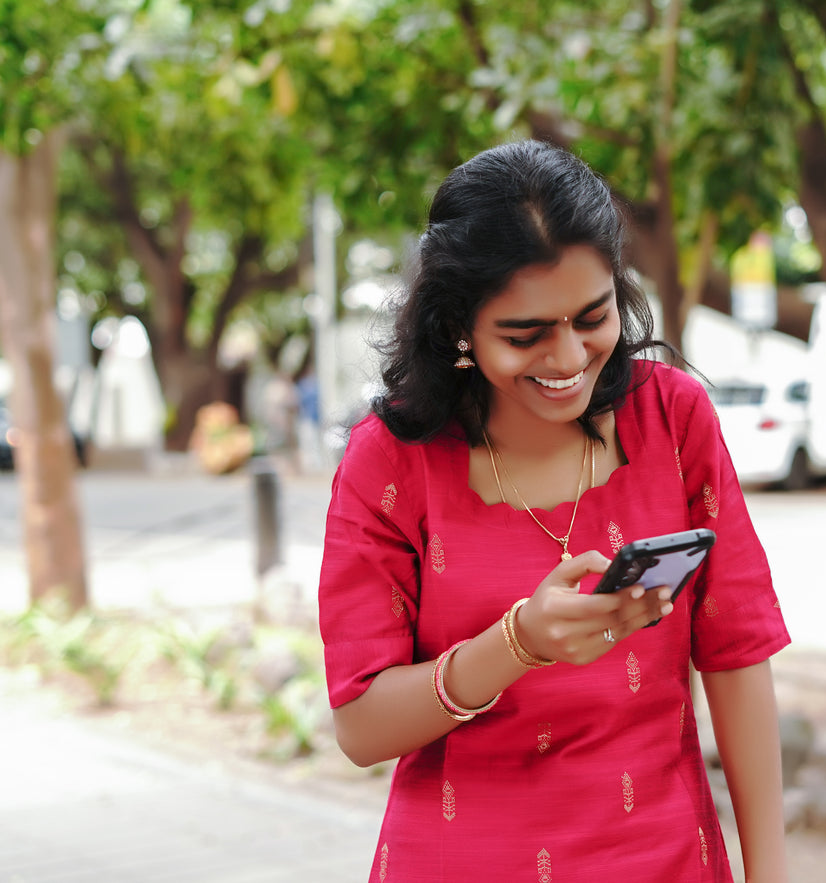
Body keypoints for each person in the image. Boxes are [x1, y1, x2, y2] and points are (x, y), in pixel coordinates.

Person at [318, 140, 791, 882]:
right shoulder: (389, 462)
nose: (568, 356)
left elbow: (735, 652)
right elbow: (360, 726)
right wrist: (517, 643)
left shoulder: (671, 420)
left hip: (662, 859)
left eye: (590, 316)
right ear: (457, 330)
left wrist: (770, 873)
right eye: (525, 333)